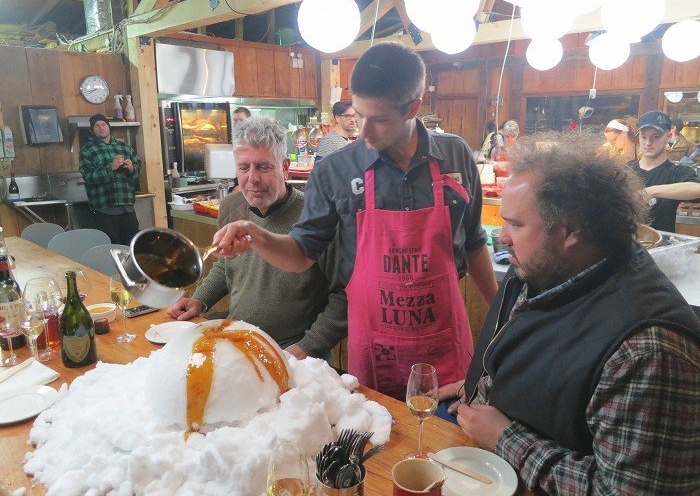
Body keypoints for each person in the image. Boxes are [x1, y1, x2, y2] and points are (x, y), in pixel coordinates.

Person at [213, 42, 497, 399]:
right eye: (358, 115)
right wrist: (255, 234)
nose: (362, 132)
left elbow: (473, 242)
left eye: (377, 119)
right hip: (374, 345)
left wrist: (500, 318)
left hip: (443, 339)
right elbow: (300, 255)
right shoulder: (335, 170)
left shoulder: (455, 156)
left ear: (413, 107)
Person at [451, 134, 700, 495]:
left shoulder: (648, 351)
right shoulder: (543, 269)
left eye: (516, 224)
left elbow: (626, 491)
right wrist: (483, 387)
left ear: (570, 231)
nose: (501, 238)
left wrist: (507, 438)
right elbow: (549, 368)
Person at [167, 117, 346, 359]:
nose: (252, 179)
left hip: (293, 351)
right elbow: (226, 264)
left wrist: (305, 348)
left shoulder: (315, 216)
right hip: (238, 340)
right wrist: (199, 299)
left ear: (284, 167)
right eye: (244, 167)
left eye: (263, 167)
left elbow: (343, 296)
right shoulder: (231, 206)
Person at [629, 110, 700, 232]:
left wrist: (651, 191)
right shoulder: (625, 171)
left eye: (656, 136)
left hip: (661, 246)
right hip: (626, 245)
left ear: (668, 136)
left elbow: (696, 189)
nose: (648, 143)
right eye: (643, 136)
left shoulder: (676, 172)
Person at [78, 114, 141, 245]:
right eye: (97, 126)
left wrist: (132, 168)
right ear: (92, 130)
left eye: (103, 124)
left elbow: (137, 174)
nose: (101, 128)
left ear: (108, 127)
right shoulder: (87, 151)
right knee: (108, 248)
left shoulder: (125, 148)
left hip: (127, 208)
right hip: (104, 209)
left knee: (132, 246)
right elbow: (88, 177)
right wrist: (110, 168)